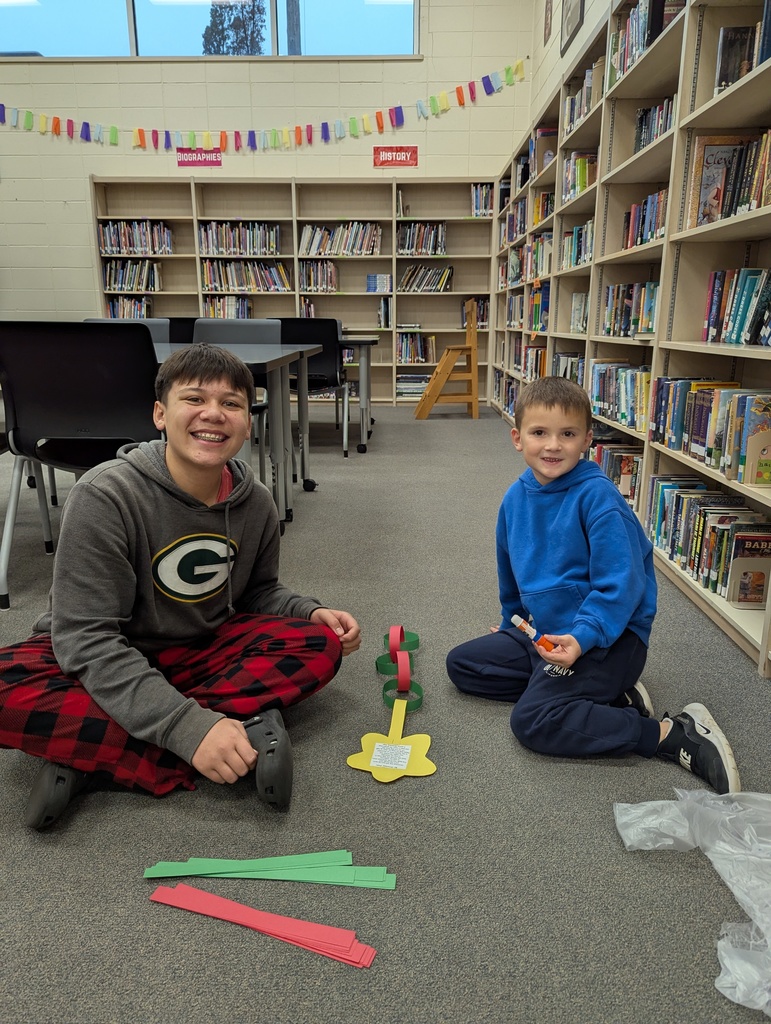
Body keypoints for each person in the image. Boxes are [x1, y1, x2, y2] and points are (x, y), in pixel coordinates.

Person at [0, 343, 361, 829]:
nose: (213, 413)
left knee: (319, 646)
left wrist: (308, 612)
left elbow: (257, 594)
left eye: (231, 404)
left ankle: (90, 754)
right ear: (159, 414)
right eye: (194, 399)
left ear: (247, 422)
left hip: (201, 649)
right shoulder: (105, 494)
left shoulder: (255, 504)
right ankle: (226, 732)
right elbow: (85, 638)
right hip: (105, 651)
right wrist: (187, 728)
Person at [446, 376, 740, 794]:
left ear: (586, 439)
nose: (552, 445)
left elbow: (621, 587)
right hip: (546, 634)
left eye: (567, 434)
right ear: (517, 438)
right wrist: (512, 624)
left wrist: (582, 639)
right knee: (463, 664)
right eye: (539, 433)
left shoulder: (598, 498)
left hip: (607, 637)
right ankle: (594, 696)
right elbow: (509, 572)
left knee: (532, 722)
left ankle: (670, 733)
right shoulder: (514, 498)